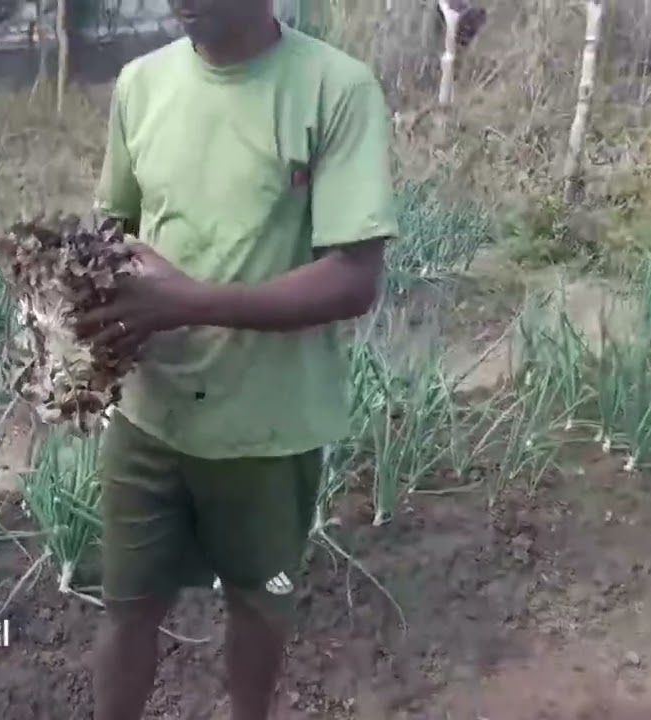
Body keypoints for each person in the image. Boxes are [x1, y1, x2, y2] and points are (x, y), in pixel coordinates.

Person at [76, 1, 397, 718]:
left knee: (260, 606)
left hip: (267, 426)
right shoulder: (142, 84)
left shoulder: (334, 89)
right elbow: (113, 233)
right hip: (148, 416)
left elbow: (354, 277)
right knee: (126, 606)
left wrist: (190, 302)